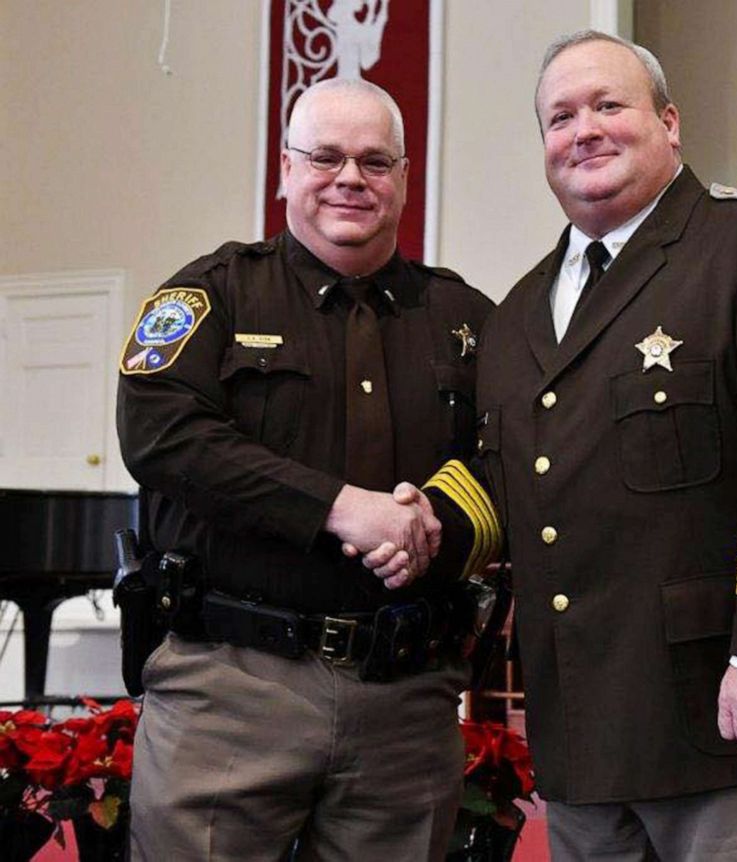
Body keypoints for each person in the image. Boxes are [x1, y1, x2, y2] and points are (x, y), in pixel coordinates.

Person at [380, 30, 737, 861]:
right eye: (559, 117)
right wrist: (425, 521)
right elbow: (511, 478)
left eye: (608, 106)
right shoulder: (519, 314)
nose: (583, 130)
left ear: (670, 122)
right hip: (587, 737)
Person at [117, 78, 494, 861]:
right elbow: (162, 434)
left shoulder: (468, 320)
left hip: (406, 700)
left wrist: (431, 527)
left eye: (374, 160)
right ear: (284, 170)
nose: (349, 178)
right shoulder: (210, 295)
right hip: (231, 689)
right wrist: (339, 507)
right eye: (324, 157)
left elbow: (513, 457)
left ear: (403, 177)